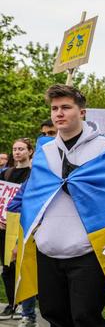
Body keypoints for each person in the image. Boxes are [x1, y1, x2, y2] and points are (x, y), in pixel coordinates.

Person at [9, 84, 105, 327]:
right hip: (48, 249)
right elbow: (34, 193)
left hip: (87, 251)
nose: (59, 113)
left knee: (85, 318)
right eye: (54, 108)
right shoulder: (45, 149)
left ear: (82, 112)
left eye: (66, 107)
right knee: (53, 315)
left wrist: (74, 182)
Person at [0, 138, 36, 326]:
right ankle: (13, 304)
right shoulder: (6, 173)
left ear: (30, 151)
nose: (17, 152)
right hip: (5, 225)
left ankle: (25, 305)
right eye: (14, 149)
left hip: (23, 224)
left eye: (21, 149)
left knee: (23, 267)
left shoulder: (33, 174)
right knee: (7, 267)